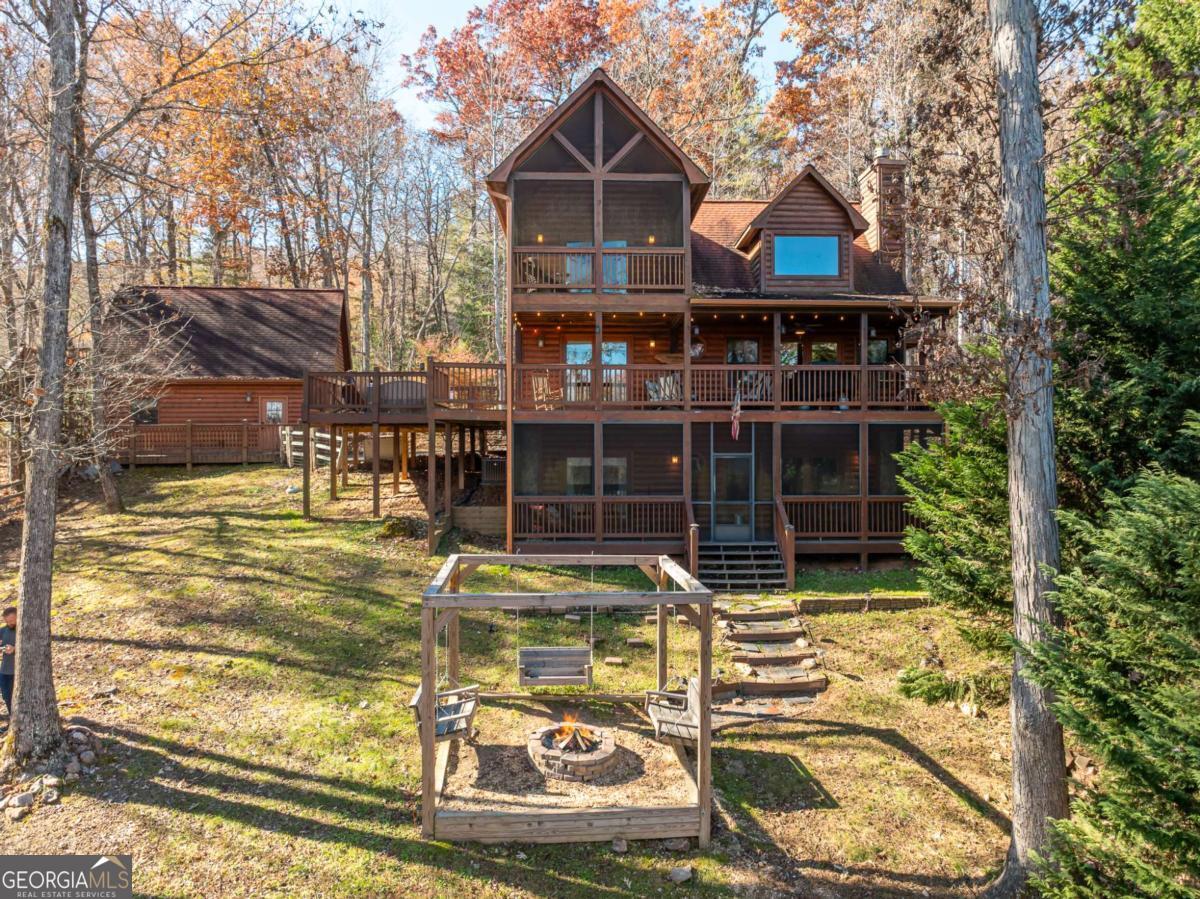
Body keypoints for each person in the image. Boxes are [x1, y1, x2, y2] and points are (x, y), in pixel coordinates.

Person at [0, 605, 14, 719]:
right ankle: (12, 718)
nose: (9, 623)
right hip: (4, 670)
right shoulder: (3, 630)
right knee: (6, 695)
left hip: (18, 671)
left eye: (11, 621)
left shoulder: (25, 631)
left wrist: (15, 649)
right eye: (7, 621)